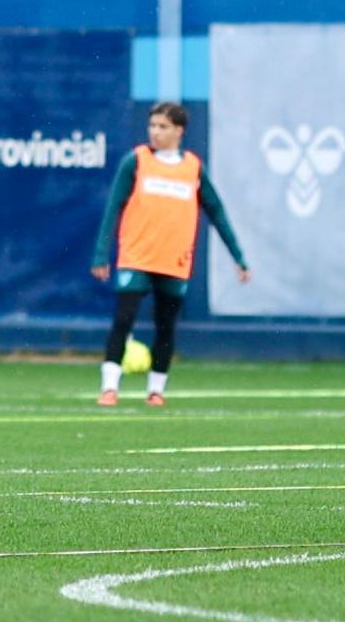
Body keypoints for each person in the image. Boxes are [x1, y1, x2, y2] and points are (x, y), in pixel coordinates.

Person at [91, 101, 251, 407]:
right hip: (136, 256)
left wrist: (238, 257)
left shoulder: (192, 167)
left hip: (174, 259)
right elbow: (114, 207)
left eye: (163, 126)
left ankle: (156, 390)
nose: (155, 132)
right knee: (123, 319)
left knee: (166, 324)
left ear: (179, 130)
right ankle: (110, 387)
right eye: (152, 125)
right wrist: (101, 254)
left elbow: (216, 211)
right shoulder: (136, 161)